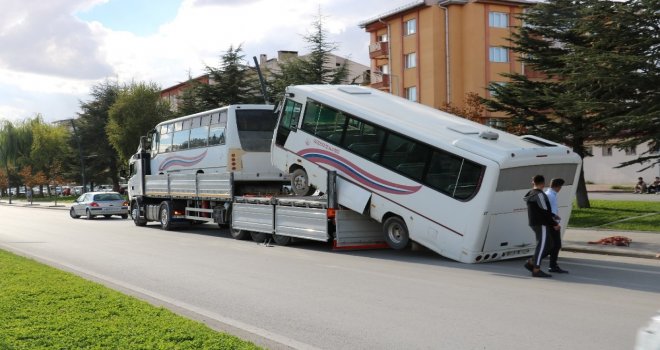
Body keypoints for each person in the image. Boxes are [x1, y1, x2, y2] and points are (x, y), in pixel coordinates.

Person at [523, 175, 559, 278]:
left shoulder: (531, 193)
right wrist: (554, 223)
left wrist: (553, 216)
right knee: (542, 246)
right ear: (543, 183)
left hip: (535, 222)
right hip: (541, 223)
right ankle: (536, 269)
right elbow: (545, 212)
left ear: (532, 182)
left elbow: (540, 210)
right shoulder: (539, 195)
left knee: (550, 244)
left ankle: (531, 262)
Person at [544, 178, 568, 273]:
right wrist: (555, 223)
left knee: (553, 245)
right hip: (552, 223)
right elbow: (549, 211)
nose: (560, 189)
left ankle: (553, 265)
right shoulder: (551, 195)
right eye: (560, 186)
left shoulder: (549, 194)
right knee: (555, 245)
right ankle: (533, 261)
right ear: (558, 186)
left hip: (551, 222)